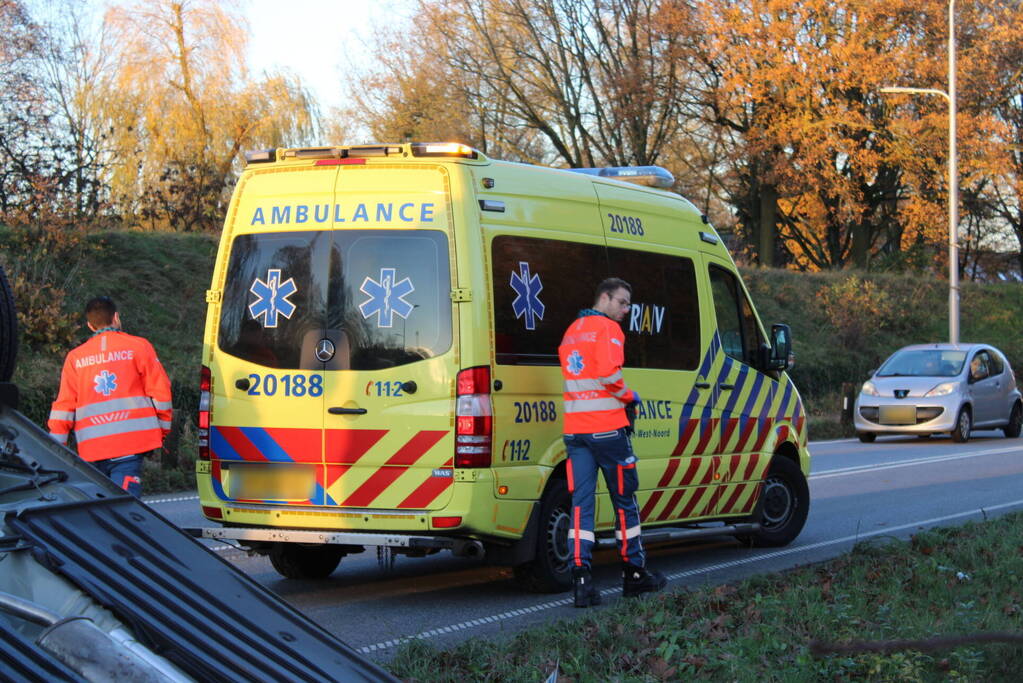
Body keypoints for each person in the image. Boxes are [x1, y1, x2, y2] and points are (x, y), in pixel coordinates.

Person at [558, 277, 666, 607]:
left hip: (576, 433)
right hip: (607, 431)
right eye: (621, 302)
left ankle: (581, 581)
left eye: (627, 304)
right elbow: (608, 375)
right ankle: (634, 574)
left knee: (581, 506)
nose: (625, 309)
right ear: (604, 298)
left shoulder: (572, 330)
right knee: (624, 501)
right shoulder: (608, 330)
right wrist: (630, 396)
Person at [48, 297, 172, 496]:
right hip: (131, 442)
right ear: (116, 317)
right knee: (125, 505)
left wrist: (55, 447)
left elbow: (64, 406)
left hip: (92, 447)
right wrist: (162, 431)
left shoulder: (75, 358)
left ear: (89, 325)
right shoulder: (139, 347)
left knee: (101, 506)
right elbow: (161, 391)